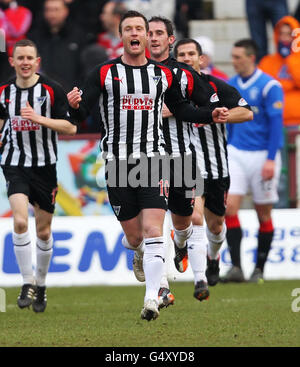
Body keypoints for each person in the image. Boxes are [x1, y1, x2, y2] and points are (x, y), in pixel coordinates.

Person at [67, 10, 229, 321]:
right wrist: (74, 106)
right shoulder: (103, 73)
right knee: (134, 236)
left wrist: (211, 114)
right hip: (117, 162)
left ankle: (152, 298)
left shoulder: (163, 75)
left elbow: (181, 107)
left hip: (154, 158)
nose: (135, 33)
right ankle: (140, 256)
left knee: (155, 229)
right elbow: (83, 112)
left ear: (145, 35)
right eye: (128, 28)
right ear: (121, 36)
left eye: (139, 28)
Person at [0, 39, 77, 312]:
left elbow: (70, 128)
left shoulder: (51, 90)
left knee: (43, 231)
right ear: (12, 61)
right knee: (20, 222)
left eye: (29, 58)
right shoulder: (3, 92)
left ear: (37, 61)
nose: (24, 63)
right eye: (19, 58)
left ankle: (41, 285)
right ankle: (26, 281)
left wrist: (39, 119)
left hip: (45, 167)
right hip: (14, 164)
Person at [173, 38, 253, 297]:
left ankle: (213, 256)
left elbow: (247, 112)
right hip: (187, 166)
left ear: (201, 59)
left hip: (217, 167)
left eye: (190, 54)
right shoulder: (169, 91)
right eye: (181, 54)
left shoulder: (215, 87)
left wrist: (220, 115)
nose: (186, 58)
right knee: (194, 218)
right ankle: (199, 279)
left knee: (216, 225)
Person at [224, 39, 284, 283]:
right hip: (236, 152)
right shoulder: (231, 85)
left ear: (250, 57)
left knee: (263, 213)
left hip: (262, 156)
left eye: (238, 57)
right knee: (229, 208)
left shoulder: (270, 86)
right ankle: (236, 267)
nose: (234, 61)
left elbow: (276, 125)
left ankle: (259, 269)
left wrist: (270, 159)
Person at [28, 0, 88, 91]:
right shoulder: (35, 37)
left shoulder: (79, 36)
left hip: (71, 93)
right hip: (42, 93)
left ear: (66, 11)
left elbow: (84, 69)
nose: (52, 14)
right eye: (48, 10)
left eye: (56, 10)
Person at [259, 15, 300, 128]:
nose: (284, 38)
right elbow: (264, 89)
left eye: (288, 34)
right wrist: (290, 85)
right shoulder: (267, 61)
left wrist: (291, 59)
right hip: (274, 121)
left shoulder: (297, 60)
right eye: (281, 34)